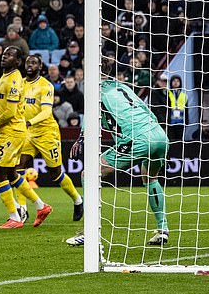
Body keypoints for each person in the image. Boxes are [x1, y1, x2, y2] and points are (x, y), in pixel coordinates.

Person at [67, 59, 169, 246]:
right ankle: (162, 230)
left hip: (137, 138)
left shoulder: (97, 90)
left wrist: (81, 137)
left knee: (88, 174)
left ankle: (89, 232)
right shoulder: (123, 87)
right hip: (158, 134)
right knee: (150, 177)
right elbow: (147, 110)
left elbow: (91, 118)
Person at [0, 46, 52, 229]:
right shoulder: (8, 77)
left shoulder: (13, 80)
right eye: (4, 53)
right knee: (12, 174)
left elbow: (11, 112)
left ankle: (14, 217)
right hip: (13, 130)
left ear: (18, 62)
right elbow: (12, 103)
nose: (4, 56)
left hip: (12, 131)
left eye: (10, 55)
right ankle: (41, 206)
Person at [16, 54, 83, 222]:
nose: (30, 65)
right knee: (18, 167)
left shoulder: (45, 86)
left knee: (55, 173)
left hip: (47, 133)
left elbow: (46, 112)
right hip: (28, 133)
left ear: (40, 68)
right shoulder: (20, 84)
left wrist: (29, 122)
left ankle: (77, 200)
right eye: (27, 62)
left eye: (34, 63)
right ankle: (22, 209)